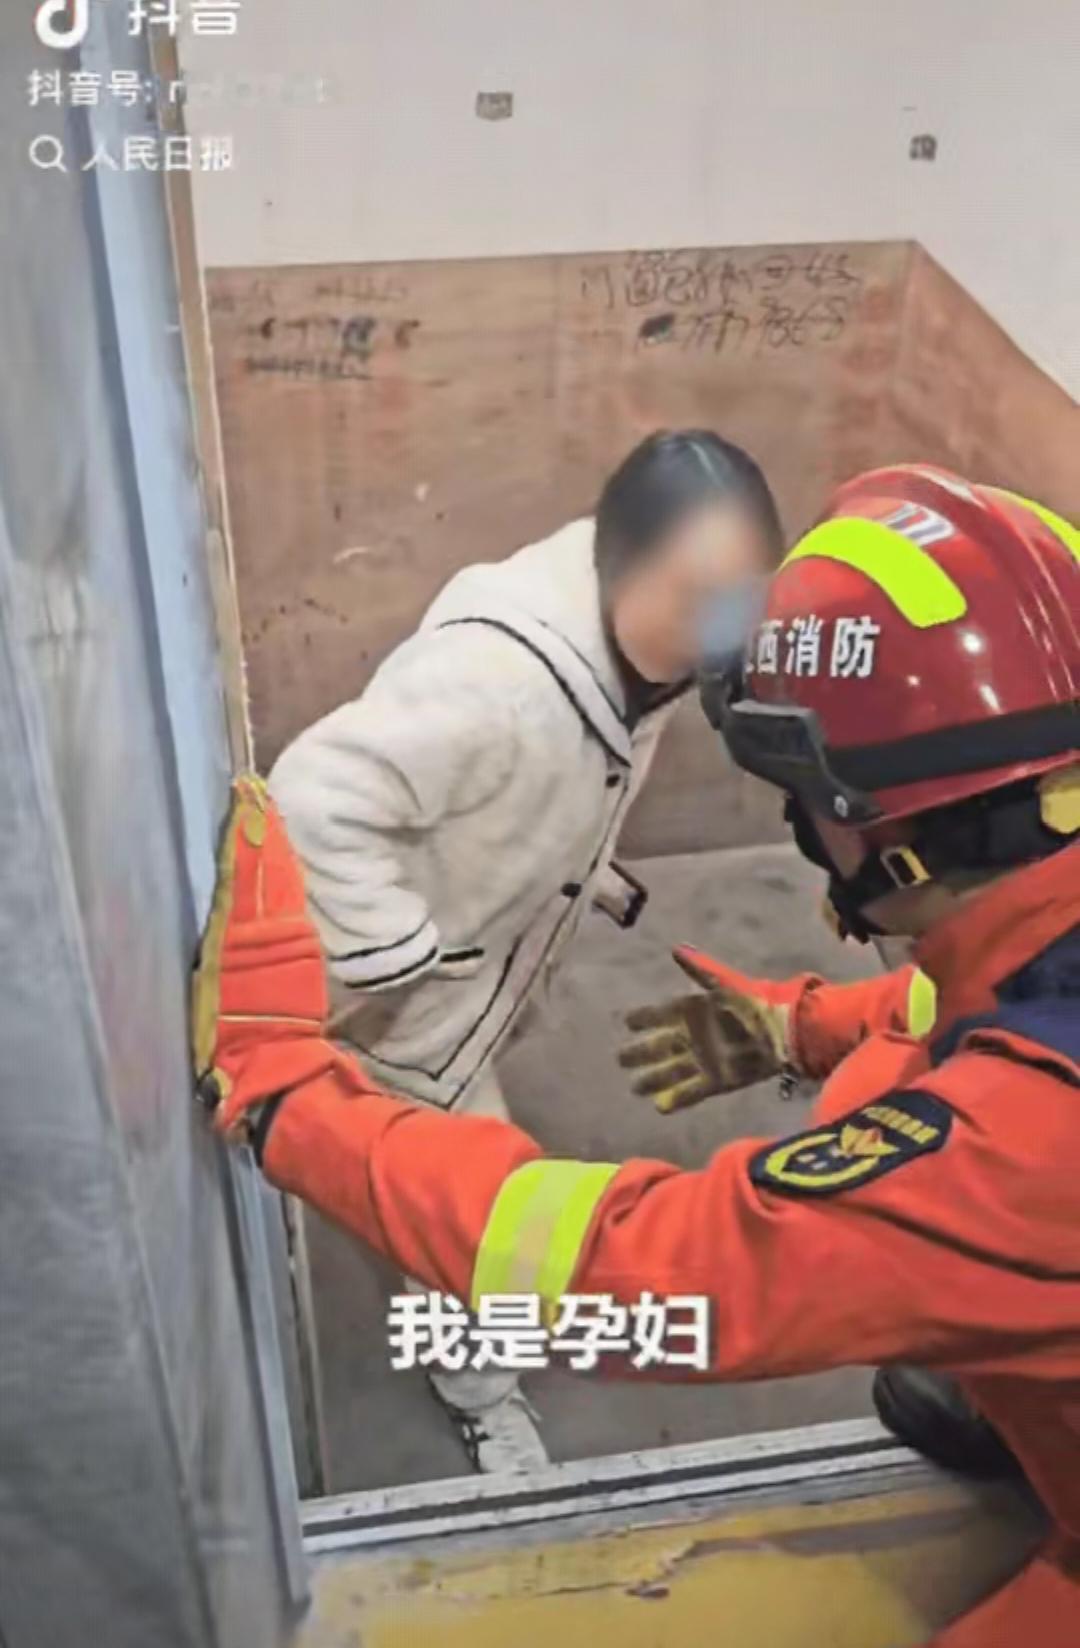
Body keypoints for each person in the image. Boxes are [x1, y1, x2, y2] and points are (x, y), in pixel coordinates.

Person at [193, 466, 1079, 1646]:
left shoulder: (1019, 1153)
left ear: (884, 824)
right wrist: (807, 1027)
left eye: (801, 791)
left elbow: (653, 1278)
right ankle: (1025, 1385)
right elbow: (998, 1003)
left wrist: (283, 1091)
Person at [265, 429, 784, 1470]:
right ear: (622, 562)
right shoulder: (501, 679)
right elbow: (311, 796)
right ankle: (483, 1396)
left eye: (743, 599)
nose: (727, 628)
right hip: (409, 1009)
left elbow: (537, 783)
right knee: (477, 1221)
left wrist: (572, 868)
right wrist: (402, 959)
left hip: (473, 963)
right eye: (701, 597)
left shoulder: (638, 656)